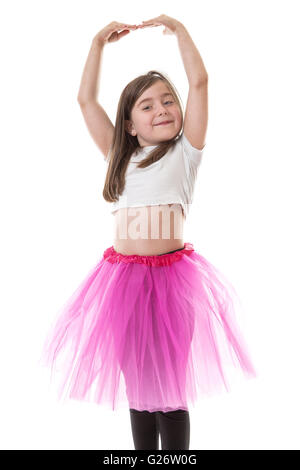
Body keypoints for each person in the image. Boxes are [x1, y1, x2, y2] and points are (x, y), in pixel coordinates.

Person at [39, 15, 257, 450]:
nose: (161, 110)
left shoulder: (185, 152)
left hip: (173, 282)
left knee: (170, 388)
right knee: (136, 384)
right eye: (147, 105)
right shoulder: (120, 156)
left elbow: (200, 82)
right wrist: (98, 42)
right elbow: (85, 100)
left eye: (167, 101)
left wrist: (180, 32)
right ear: (130, 125)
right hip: (121, 282)